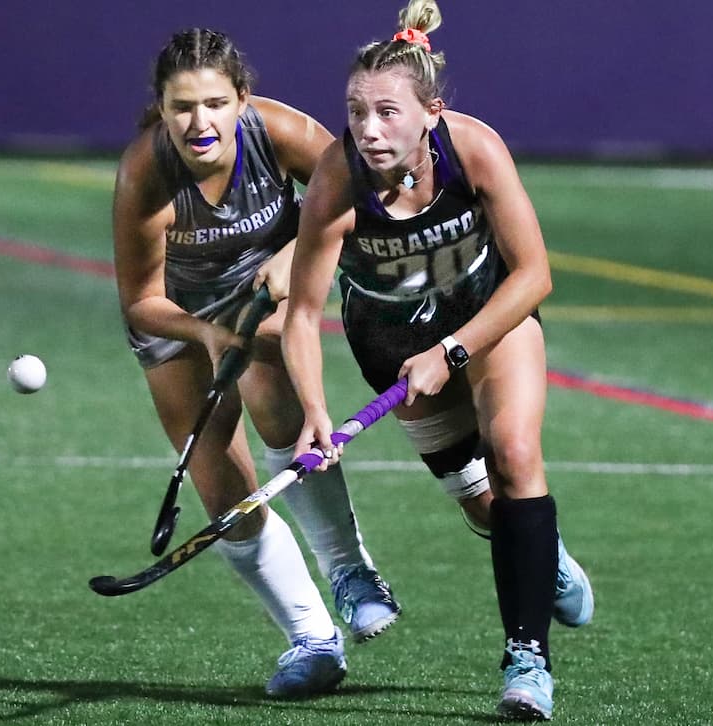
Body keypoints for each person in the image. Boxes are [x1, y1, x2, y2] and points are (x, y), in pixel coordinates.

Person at [282, 0, 594, 719]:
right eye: (357, 112)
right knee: (489, 510)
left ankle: (527, 662)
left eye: (387, 112)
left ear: (430, 112)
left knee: (515, 455)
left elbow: (534, 274)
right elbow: (301, 312)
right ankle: (543, 559)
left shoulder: (473, 148)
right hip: (388, 346)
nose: (368, 129)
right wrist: (315, 414)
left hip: (486, 320)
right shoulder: (338, 177)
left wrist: (453, 349)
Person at [112, 29, 403, 698]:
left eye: (215, 103)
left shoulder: (276, 134)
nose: (199, 122)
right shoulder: (145, 173)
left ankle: (349, 570)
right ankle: (313, 640)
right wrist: (207, 334)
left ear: (242, 99)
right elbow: (140, 302)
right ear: (161, 107)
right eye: (182, 106)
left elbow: (361, 194)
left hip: (267, 289)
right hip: (176, 313)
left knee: (270, 372)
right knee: (223, 492)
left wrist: (293, 255)